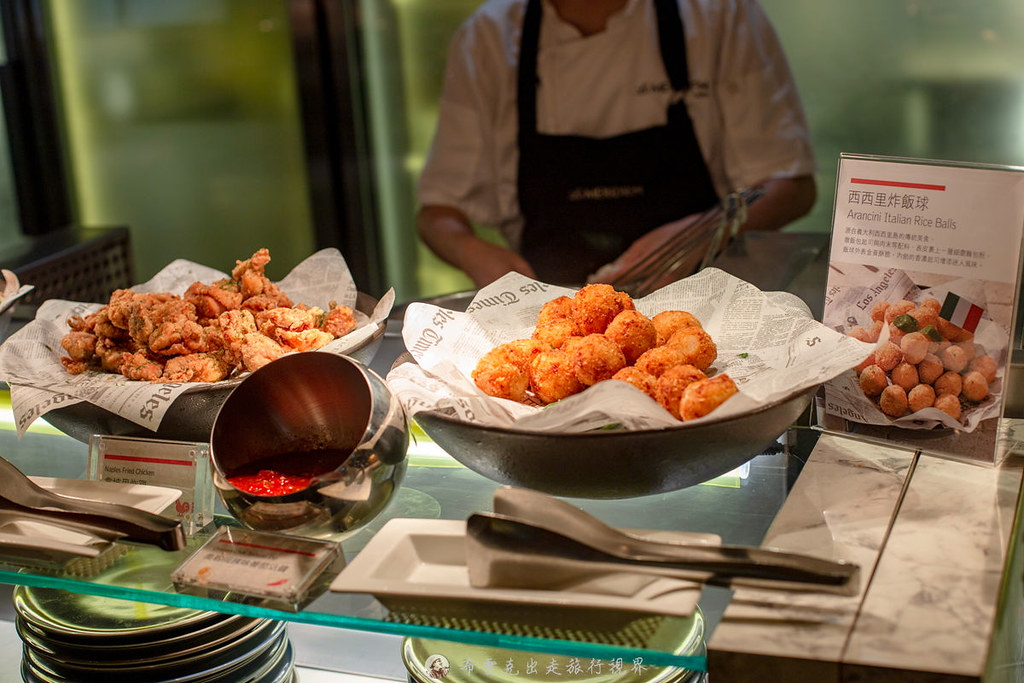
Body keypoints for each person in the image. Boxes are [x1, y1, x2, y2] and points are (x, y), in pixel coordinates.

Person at [416, 0, 816, 287]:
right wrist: (480, 258)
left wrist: (698, 234)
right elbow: (438, 213)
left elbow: (791, 186)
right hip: (548, 308)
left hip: (705, 300)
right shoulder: (489, 36)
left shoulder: (718, 14)